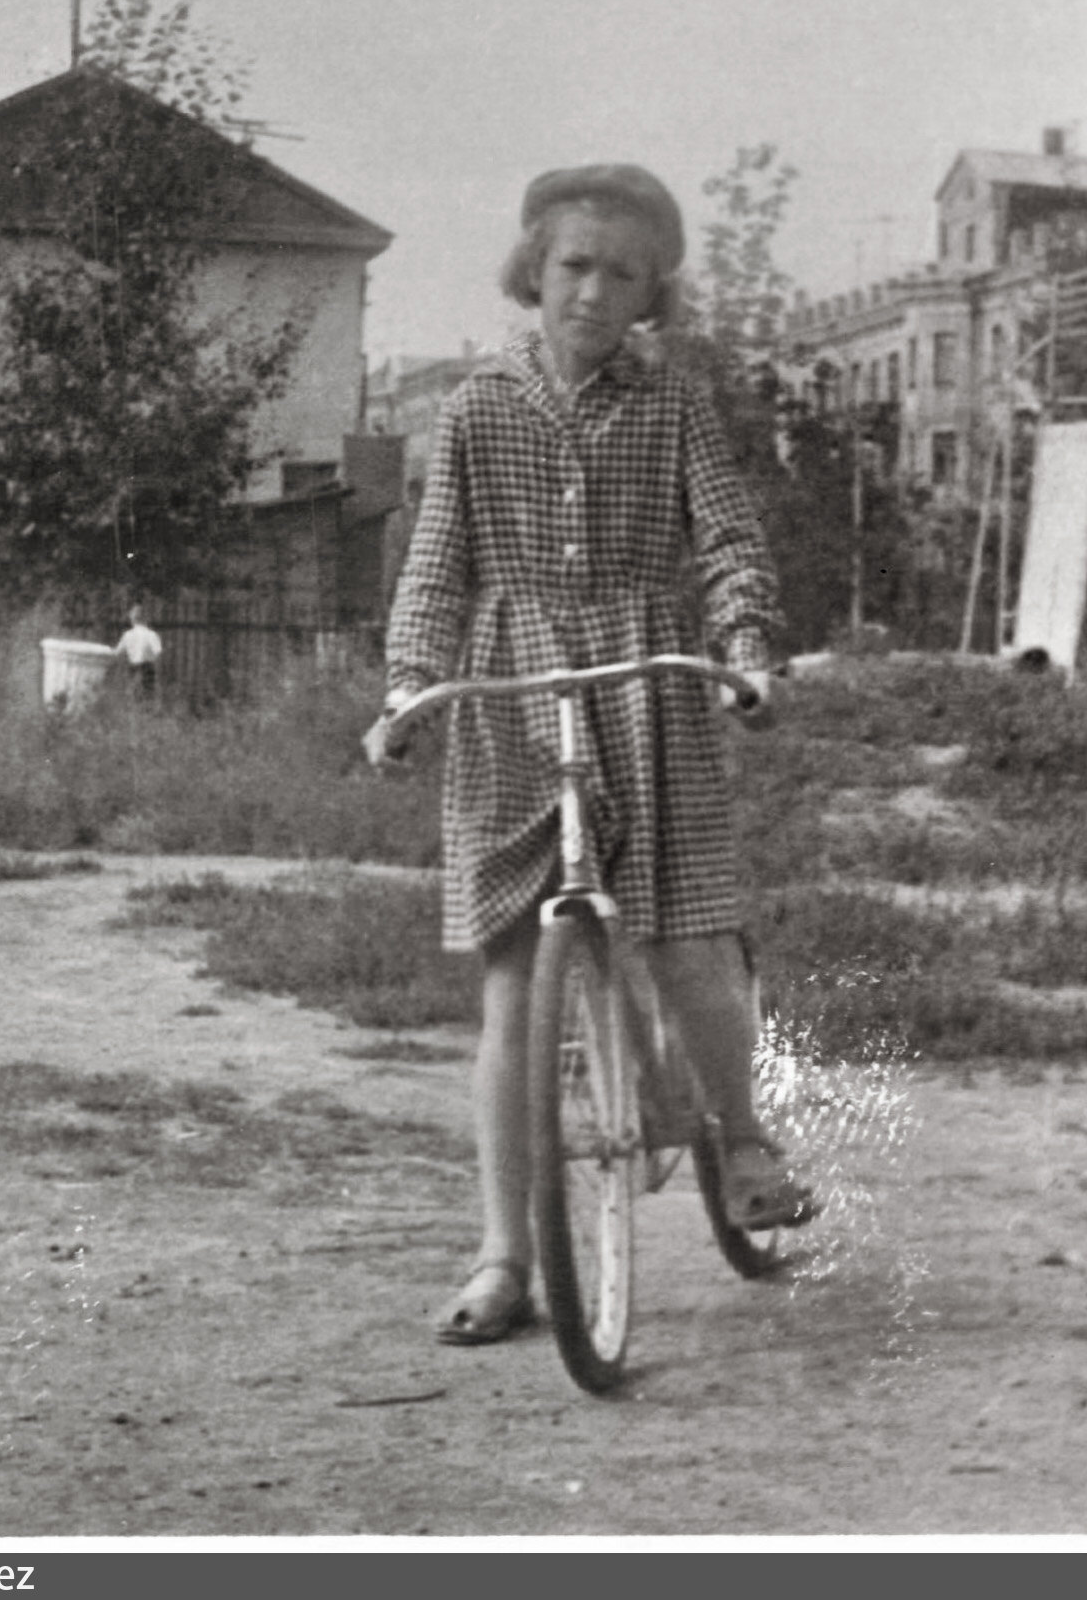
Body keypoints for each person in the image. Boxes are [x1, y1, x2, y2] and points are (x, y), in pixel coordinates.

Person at [369, 161, 814, 1350]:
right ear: (535, 268)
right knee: (514, 981)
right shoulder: (477, 406)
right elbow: (436, 562)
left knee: (686, 932)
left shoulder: (672, 404)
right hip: (511, 692)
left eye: (623, 274)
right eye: (574, 265)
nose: (593, 292)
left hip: (644, 679)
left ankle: (744, 1144)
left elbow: (727, 538)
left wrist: (745, 647)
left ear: (650, 290)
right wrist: (411, 683)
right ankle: (506, 1255)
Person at [115, 604, 163, 697]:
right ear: (146, 619)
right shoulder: (151, 634)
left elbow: (118, 652)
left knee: (132, 695)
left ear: (132, 619)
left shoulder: (127, 635)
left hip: (132, 667)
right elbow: (158, 653)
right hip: (147, 668)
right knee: (147, 696)